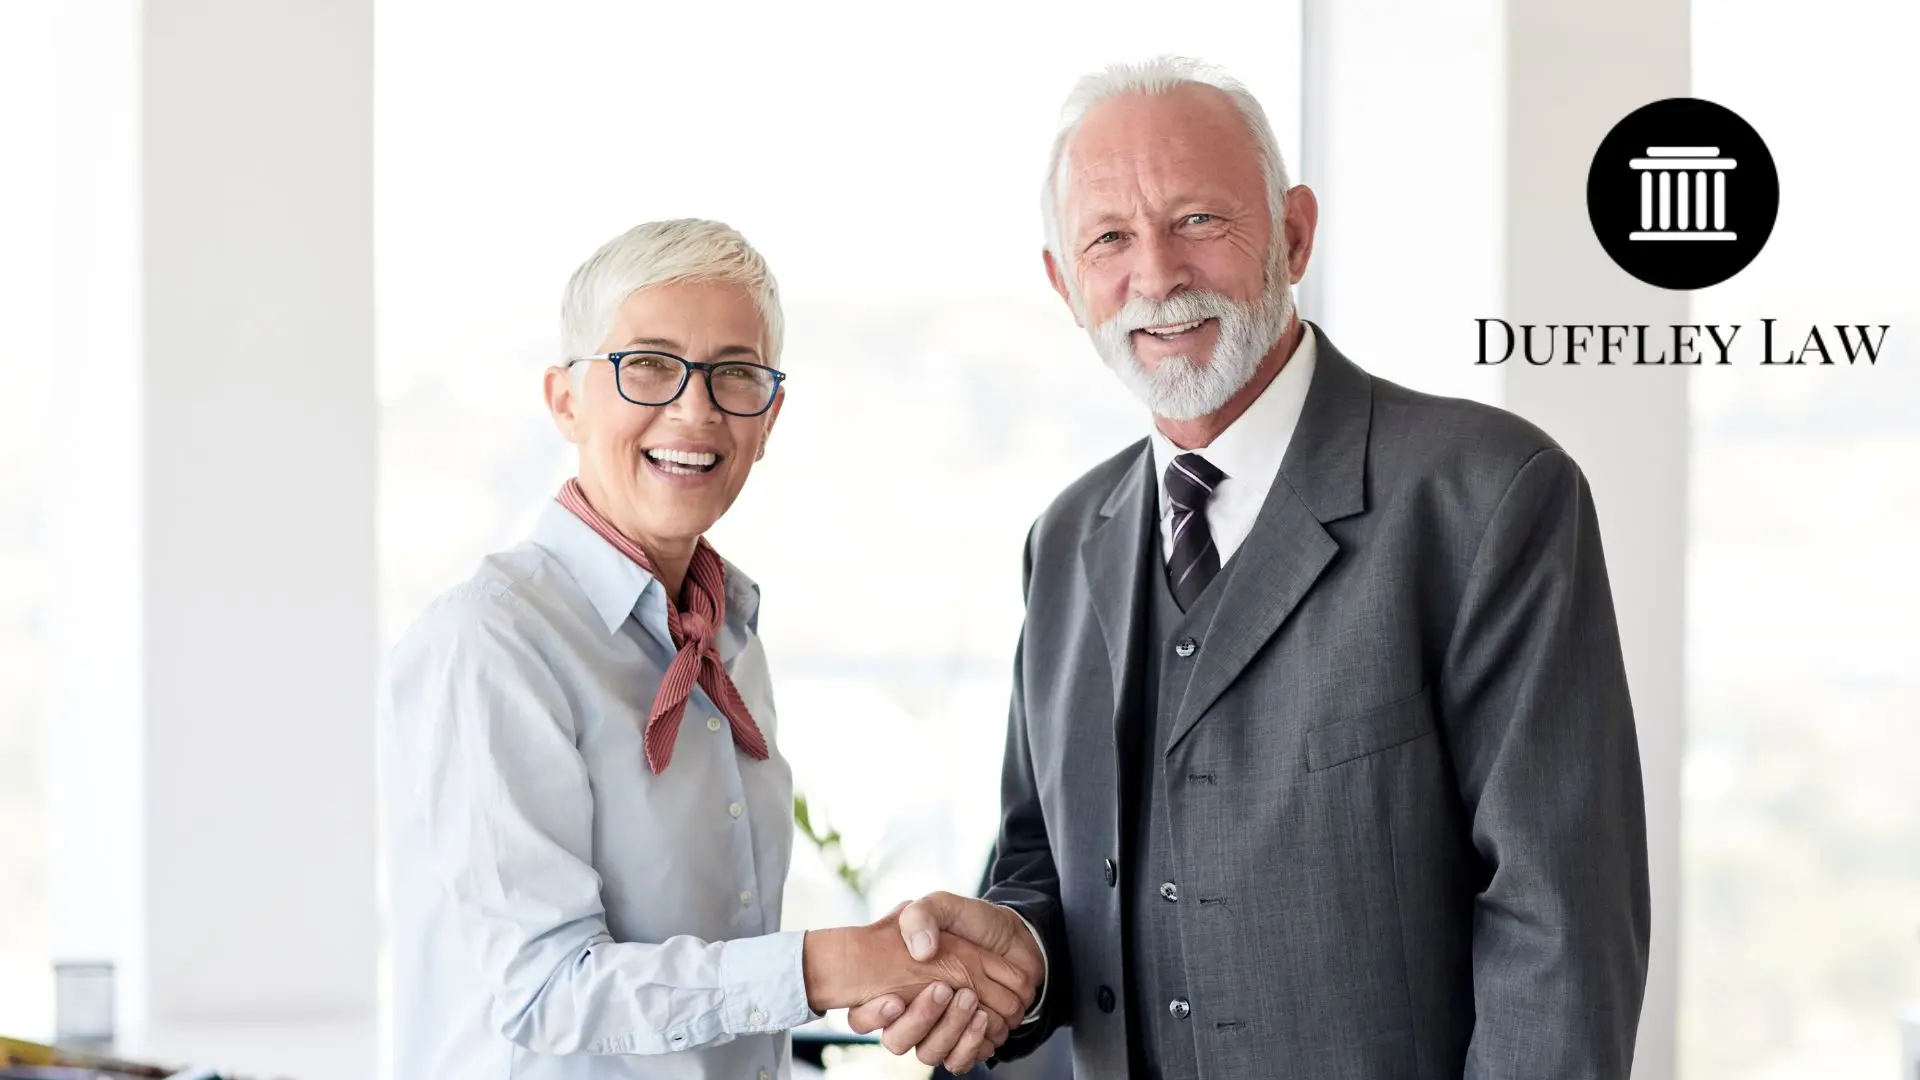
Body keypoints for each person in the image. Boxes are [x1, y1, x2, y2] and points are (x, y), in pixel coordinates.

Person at [850, 57, 1651, 1078]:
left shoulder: (1489, 499)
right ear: (1064, 284)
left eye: (1198, 221)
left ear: (1295, 234)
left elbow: (1561, 932)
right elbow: (1037, 865)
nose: (1156, 275)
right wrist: (1019, 962)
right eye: (1109, 239)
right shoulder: (1064, 538)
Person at [378, 219, 1037, 1079]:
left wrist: (902, 973)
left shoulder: (730, 633)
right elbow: (545, 991)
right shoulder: (492, 642)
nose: (695, 409)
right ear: (565, 400)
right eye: (647, 364)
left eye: (735, 373)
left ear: (769, 419)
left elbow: (719, 980)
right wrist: (841, 963)